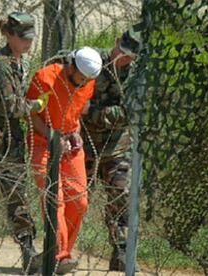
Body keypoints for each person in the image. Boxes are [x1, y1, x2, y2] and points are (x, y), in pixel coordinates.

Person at [0, 11, 49, 274]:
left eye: (30, 38)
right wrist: (35, 105)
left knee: (17, 195)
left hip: (9, 142)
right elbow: (8, 106)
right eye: (23, 38)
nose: (28, 43)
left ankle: (27, 251)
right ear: (9, 35)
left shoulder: (17, 62)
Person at [26, 47, 102, 275]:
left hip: (69, 144)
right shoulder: (45, 79)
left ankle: (56, 255)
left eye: (87, 81)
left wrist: (75, 132)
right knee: (54, 199)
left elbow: (75, 112)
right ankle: (59, 255)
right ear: (71, 66)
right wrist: (51, 137)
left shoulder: (87, 82)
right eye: (80, 79)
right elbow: (29, 113)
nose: (83, 84)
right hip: (43, 143)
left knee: (80, 202)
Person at [82, 25, 142, 271]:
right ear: (116, 41)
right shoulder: (90, 62)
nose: (124, 58)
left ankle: (121, 252)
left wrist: (93, 112)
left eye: (130, 56)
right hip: (83, 144)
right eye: (122, 51)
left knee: (121, 197)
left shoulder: (137, 75)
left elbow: (130, 112)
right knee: (74, 200)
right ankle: (61, 251)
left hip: (117, 145)